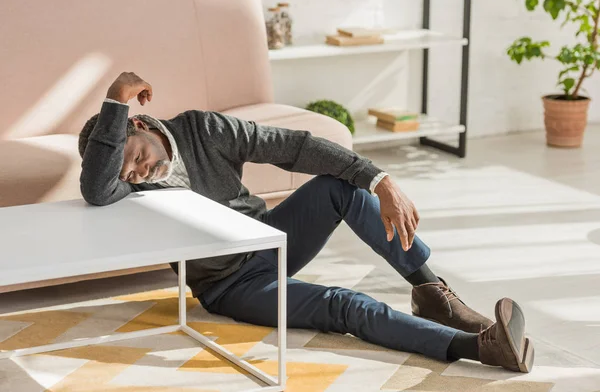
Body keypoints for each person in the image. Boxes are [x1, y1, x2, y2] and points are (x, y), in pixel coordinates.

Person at [78, 71, 534, 373]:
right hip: (232, 287)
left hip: (272, 239)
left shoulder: (201, 129)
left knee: (340, 187)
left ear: (144, 124)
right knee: (346, 305)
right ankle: (480, 349)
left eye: (136, 157)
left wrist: (380, 180)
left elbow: (294, 147)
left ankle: (433, 293)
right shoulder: (121, 186)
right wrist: (113, 100)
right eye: (126, 172)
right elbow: (97, 189)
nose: (136, 173)